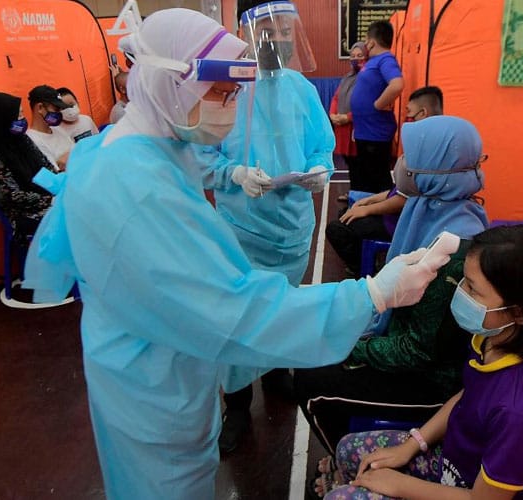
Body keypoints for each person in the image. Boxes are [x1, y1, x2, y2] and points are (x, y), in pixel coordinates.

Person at [22, 8, 442, 499]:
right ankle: (239, 403)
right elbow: (236, 314)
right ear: (167, 81)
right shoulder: (137, 191)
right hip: (156, 398)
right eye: (220, 90)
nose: (231, 102)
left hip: (165, 363)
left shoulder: (147, 145)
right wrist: (371, 295)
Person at [320, 224, 523, 499]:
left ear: (519, 314)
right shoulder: (489, 342)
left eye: (473, 290)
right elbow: (467, 396)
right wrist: (412, 445)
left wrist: (399, 485)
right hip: (451, 467)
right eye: (464, 281)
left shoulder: (517, 414)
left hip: (472, 493)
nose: (460, 293)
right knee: (347, 449)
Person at [295, 115, 489, 461]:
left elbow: (417, 351)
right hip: (410, 346)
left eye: (412, 157)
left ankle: (352, 463)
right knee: (326, 345)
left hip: (434, 380)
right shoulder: (430, 207)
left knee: (312, 379)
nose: (402, 164)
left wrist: (357, 347)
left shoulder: (453, 247)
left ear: (436, 169)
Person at [197, 0, 335, 454]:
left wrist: (318, 171)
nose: (277, 40)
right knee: (237, 321)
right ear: (248, 37)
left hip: (293, 225)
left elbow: (321, 146)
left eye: (284, 32)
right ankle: (236, 405)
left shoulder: (300, 88)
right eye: (267, 32)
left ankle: (276, 373)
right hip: (241, 228)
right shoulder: (227, 90)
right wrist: (233, 175)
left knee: (283, 310)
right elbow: (201, 155)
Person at [326, 86, 445, 277]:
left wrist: (367, 208)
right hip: (399, 214)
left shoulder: (427, 153)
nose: (406, 119)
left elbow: (404, 200)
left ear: (423, 114)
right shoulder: (432, 142)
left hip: (403, 223)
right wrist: (370, 201)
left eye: (408, 113)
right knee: (347, 211)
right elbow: (400, 190)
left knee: (337, 228)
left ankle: (364, 270)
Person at [0, 92, 58, 242]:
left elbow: (45, 165)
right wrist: (51, 201)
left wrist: (60, 183)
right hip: (22, 215)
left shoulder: (20, 138)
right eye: (18, 115)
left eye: (22, 114)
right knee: (74, 214)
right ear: (2, 119)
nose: (22, 119)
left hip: (46, 198)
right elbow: (12, 198)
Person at [349, 20, 404, 194]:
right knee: (367, 177)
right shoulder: (374, 61)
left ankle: (383, 217)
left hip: (375, 134)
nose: (365, 44)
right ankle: (368, 213)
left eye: (366, 40)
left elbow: (397, 84)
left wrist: (378, 104)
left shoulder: (385, 59)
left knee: (378, 179)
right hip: (365, 131)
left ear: (371, 42)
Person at [329, 41, 368, 202]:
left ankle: (362, 196)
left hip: (357, 128)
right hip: (342, 128)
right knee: (350, 163)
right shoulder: (347, 77)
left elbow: (366, 103)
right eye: (352, 56)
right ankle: (353, 192)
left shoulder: (367, 76)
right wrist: (332, 114)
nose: (355, 59)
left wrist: (348, 117)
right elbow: (337, 97)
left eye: (360, 55)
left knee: (361, 165)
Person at [26, 85, 75, 171]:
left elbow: (79, 154)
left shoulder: (58, 129)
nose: (59, 113)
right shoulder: (32, 139)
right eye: (56, 109)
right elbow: (55, 171)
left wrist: (67, 157)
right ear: (40, 108)